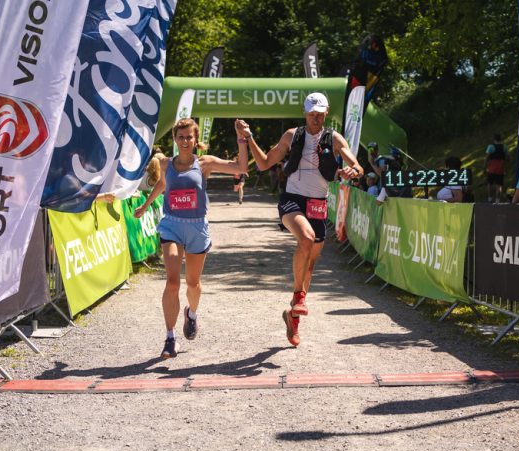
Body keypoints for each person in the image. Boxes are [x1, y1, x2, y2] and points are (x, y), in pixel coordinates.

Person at [238, 92, 364, 347]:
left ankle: (293, 317)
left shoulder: (334, 138)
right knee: (306, 238)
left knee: (309, 264)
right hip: (292, 199)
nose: (316, 119)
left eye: (320, 114)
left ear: (326, 113)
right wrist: (249, 138)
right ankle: (298, 297)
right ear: (305, 113)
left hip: (318, 204)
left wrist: (353, 171)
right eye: (311, 114)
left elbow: (357, 166)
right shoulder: (292, 135)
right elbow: (264, 163)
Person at [134, 118, 249, 359]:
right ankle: (170, 338)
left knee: (193, 284)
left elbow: (241, 167)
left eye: (189, 137)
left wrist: (242, 139)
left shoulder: (205, 163)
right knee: (172, 282)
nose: (185, 141)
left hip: (197, 228)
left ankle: (192, 314)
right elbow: (162, 185)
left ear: (196, 140)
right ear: (175, 139)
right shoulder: (165, 163)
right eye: (181, 137)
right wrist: (145, 205)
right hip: (172, 226)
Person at [485, 133, 507, 203]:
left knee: (489, 183)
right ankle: (497, 200)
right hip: (500, 168)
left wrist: (485, 165)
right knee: (499, 185)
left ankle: (489, 198)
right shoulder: (504, 147)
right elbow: (507, 157)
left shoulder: (491, 147)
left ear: (494, 139)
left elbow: (486, 157)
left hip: (491, 168)